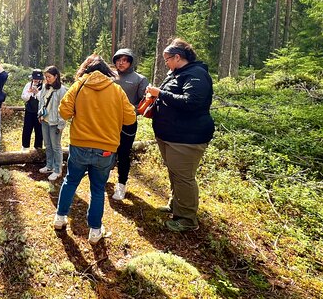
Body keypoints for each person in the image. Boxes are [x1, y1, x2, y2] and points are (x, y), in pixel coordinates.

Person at [54, 55, 136, 244]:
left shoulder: (79, 86)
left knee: (70, 181)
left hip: (80, 145)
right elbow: (130, 119)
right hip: (106, 148)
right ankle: (95, 231)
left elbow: (64, 112)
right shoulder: (116, 90)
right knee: (98, 189)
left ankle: (59, 218)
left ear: (85, 70)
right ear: (107, 70)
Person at [146, 38, 214, 232]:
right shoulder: (177, 73)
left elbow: (192, 102)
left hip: (187, 137)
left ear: (178, 57)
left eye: (167, 59)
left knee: (184, 176)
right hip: (170, 135)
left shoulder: (196, 74)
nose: (165, 62)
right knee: (174, 172)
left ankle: (187, 219)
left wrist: (160, 94)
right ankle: (176, 205)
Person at [111, 48, 148, 200]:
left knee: (124, 154)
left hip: (128, 123)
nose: (121, 62)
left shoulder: (139, 79)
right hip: (109, 121)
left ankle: (121, 185)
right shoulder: (109, 76)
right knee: (107, 149)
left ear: (131, 62)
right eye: (118, 59)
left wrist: (132, 110)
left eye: (125, 60)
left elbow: (145, 102)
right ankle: (104, 174)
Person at [38, 66, 68, 181]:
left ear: (56, 76)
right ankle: (49, 165)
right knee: (48, 145)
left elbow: (63, 109)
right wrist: (39, 115)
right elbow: (41, 102)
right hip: (45, 120)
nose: (47, 79)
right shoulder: (45, 88)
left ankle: (57, 170)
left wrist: (61, 124)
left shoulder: (62, 90)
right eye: (46, 77)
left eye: (49, 77)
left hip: (55, 123)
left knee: (56, 147)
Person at [20, 69, 44, 151]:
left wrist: (37, 93)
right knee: (27, 129)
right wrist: (30, 92)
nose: (36, 81)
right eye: (34, 79)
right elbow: (23, 97)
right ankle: (25, 147)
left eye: (37, 79)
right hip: (29, 111)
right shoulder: (28, 85)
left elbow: (43, 100)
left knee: (39, 131)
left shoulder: (44, 87)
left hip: (39, 112)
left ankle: (38, 148)